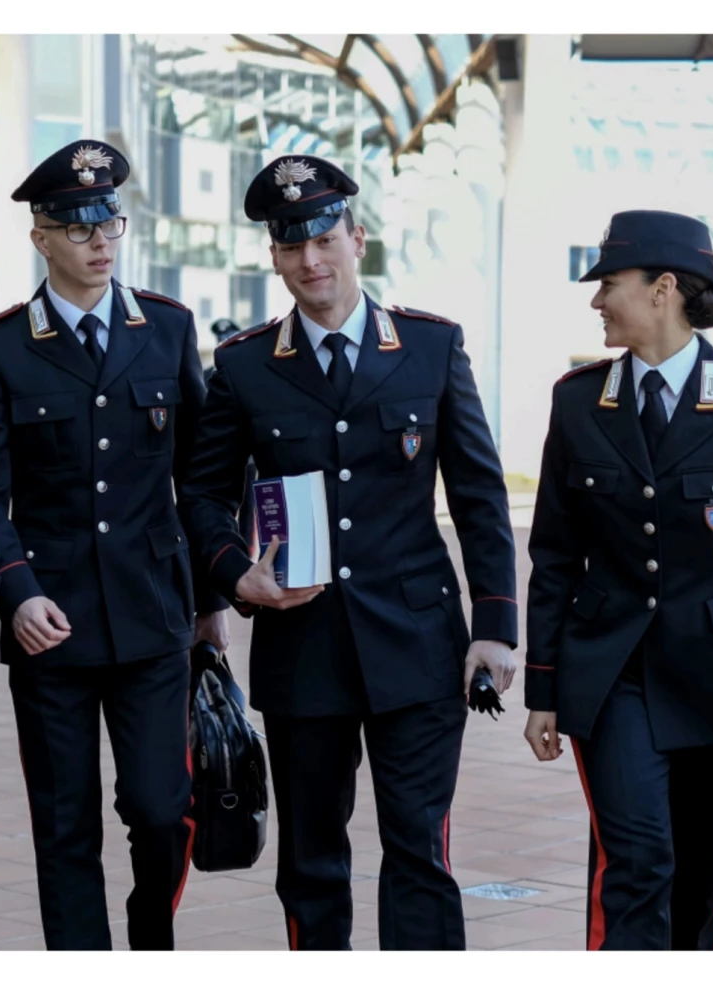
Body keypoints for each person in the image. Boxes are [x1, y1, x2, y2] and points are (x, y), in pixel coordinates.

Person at [178, 155, 519, 951]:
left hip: (419, 645)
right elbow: (201, 497)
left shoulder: (431, 347)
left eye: (325, 239)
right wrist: (238, 577)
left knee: (418, 852)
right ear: (273, 257)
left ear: (357, 239)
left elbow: (478, 494)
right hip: (304, 652)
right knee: (311, 861)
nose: (310, 261)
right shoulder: (244, 364)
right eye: (291, 247)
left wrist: (496, 623)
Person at [520, 210, 713, 951]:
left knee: (703, 881)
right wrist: (543, 689)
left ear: (663, 289)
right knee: (637, 863)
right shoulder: (577, 400)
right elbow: (554, 554)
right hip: (612, 673)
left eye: (610, 285)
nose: (596, 301)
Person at [0, 139, 224, 950]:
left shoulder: (169, 328)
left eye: (110, 221)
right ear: (40, 238)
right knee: (64, 825)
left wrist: (211, 603)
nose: (100, 240)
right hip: (52, 625)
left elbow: (199, 480)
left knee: (159, 807)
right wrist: (16, 588)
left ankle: (150, 939)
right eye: (78, 228)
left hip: (152, 618)